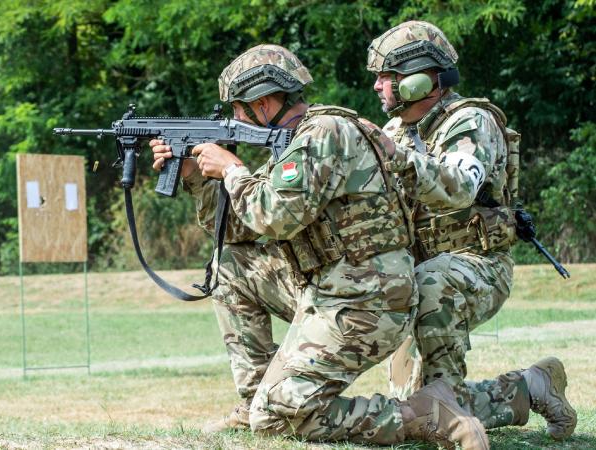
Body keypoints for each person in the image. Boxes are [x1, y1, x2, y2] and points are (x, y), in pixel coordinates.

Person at [154, 44, 488, 449]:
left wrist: (231, 169)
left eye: (239, 109)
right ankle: (257, 398)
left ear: (263, 104)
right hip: (331, 287)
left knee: (276, 419)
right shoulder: (297, 142)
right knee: (231, 266)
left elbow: (272, 216)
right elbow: (238, 230)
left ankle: (424, 414)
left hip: (368, 297)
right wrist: (195, 178)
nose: (235, 119)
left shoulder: (323, 135)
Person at [366, 20, 577, 439]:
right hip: (417, 272)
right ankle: (529, 387)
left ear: (423, 78)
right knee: (415, 405)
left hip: (477, 265)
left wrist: (396, 158)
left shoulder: (471, 122)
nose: (377, 86)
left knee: (431, 284)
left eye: (387, 75)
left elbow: (460, 186)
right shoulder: (395, 132)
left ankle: (453, 419)